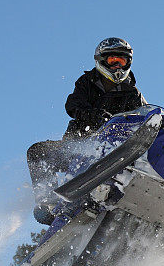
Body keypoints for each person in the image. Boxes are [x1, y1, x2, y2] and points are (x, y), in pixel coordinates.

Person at [27, 38, 147, 224]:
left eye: (121, 62)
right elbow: (72, 105)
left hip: (116, 149)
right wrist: (94, 115)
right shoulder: (87, 82)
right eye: (112, 61)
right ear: (101, 61)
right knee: (37, 151)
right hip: (79, 147)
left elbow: (146, 117)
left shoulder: (133, 94)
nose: (117, 67)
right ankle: (47, 203)